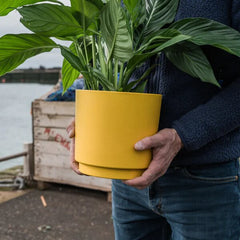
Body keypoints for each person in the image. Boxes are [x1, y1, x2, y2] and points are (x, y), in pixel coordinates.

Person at [67, 1, 240, 239]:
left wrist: (183, 135)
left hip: (203, 180)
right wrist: (88, 125)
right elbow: (106, 57)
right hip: (128, 176)